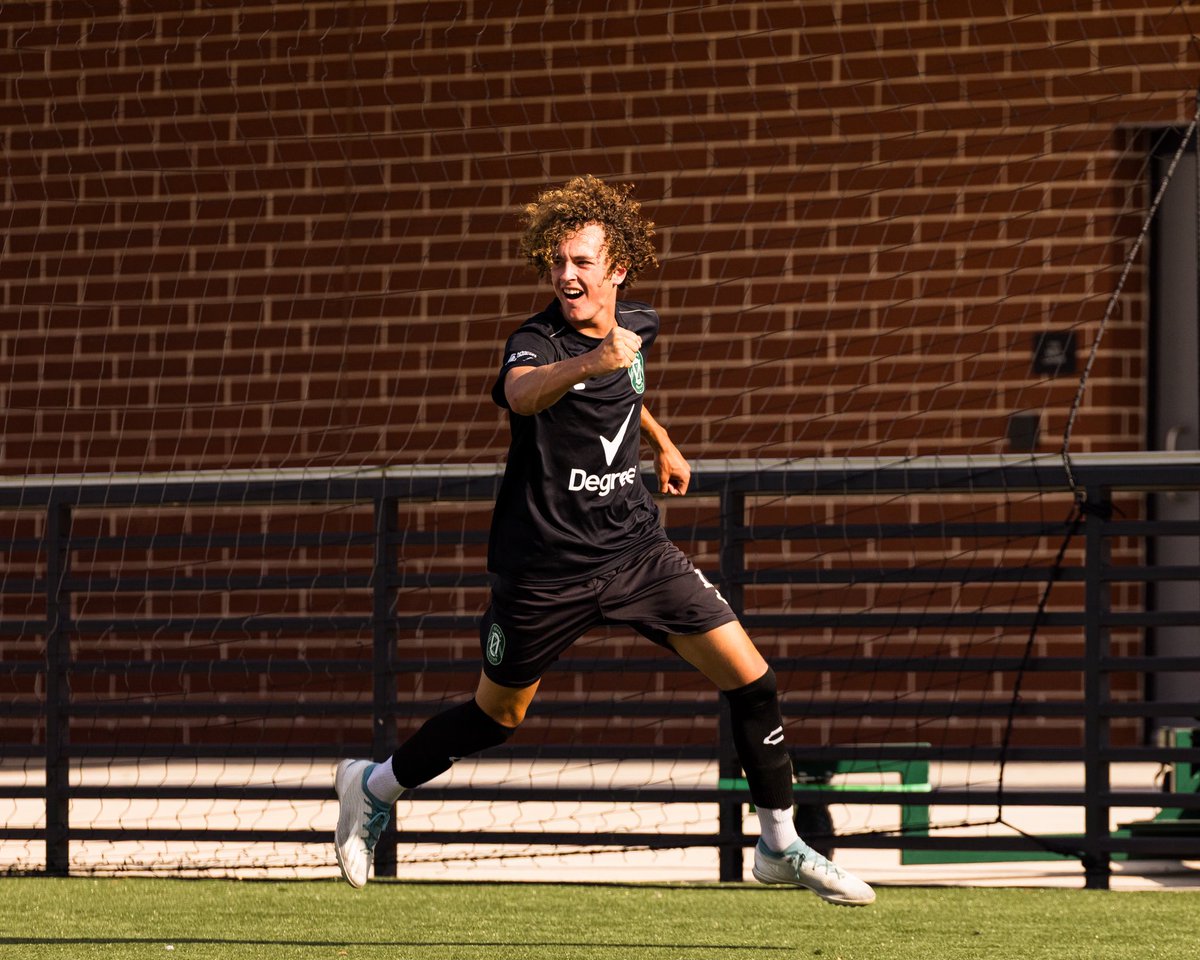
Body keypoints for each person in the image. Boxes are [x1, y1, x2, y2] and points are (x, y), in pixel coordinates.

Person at [334, 174, 875, 906]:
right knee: (497, 717)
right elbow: (525, 394)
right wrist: (591, 361)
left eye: (582, 262)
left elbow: (627, 386)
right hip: (543, 568)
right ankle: (371, 787)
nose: (566, 276)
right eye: (557, 262)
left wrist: (662, 442)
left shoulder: (637, 325)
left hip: (635, 552)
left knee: (753, 680)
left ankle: (779, 844)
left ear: (617, 268)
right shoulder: (534, 342)